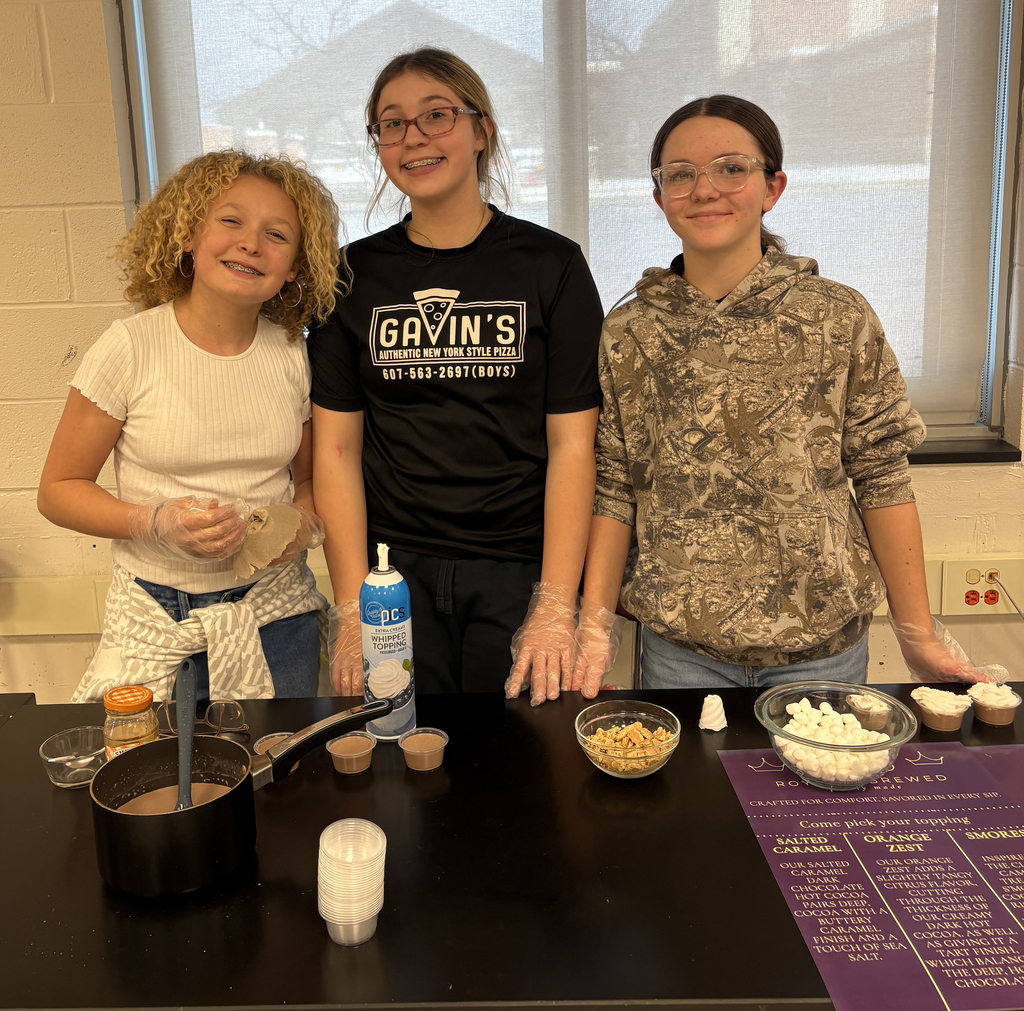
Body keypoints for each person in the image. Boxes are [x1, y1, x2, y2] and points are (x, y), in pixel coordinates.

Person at [571, 95, 996, 693]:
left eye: (731, 168)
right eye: (680, 174)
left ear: (773, 188)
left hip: (820, 648)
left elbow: (882, 476)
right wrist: (593, 627)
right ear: (659, 196)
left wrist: (916, 633)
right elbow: (616, 487)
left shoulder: (837, 317)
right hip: (679, 650)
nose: (704, 189)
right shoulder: (629, 332)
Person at [307, 48, 604, 704]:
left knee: (519, 757)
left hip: (520, 569)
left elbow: (573, 445)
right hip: (394, 575)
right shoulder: (349, 276)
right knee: (405, 752)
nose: (413, 136)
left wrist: (558, 601)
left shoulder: (551, 265)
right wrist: (353, 605)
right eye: (392, 123)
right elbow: (335, 451)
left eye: (436, 115)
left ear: (481, 131)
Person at [37, 150, 342, 701]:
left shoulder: (294, 355)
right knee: (152, 758)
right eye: (231, 221)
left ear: (296, 266)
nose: (251, 244)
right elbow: (58, 491)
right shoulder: (129, 348)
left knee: (279, 759)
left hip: (275, 614)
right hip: (155, 615)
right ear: (187, 236)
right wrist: (153, 522)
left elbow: (312, 480)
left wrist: (302, 524)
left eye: (276, 235)